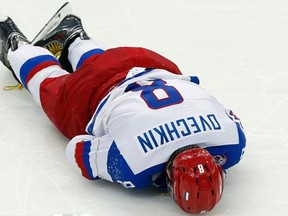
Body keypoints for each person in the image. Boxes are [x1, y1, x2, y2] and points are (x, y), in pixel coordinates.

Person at [0, 13, 246, 214]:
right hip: (96, 88)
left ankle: (75, 38)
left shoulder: (234, 144)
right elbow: (78, 151)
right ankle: (15, 46)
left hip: (151, 63)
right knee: (53, 90)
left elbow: (225, 113)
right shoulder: (133, 166)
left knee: (107, 66)